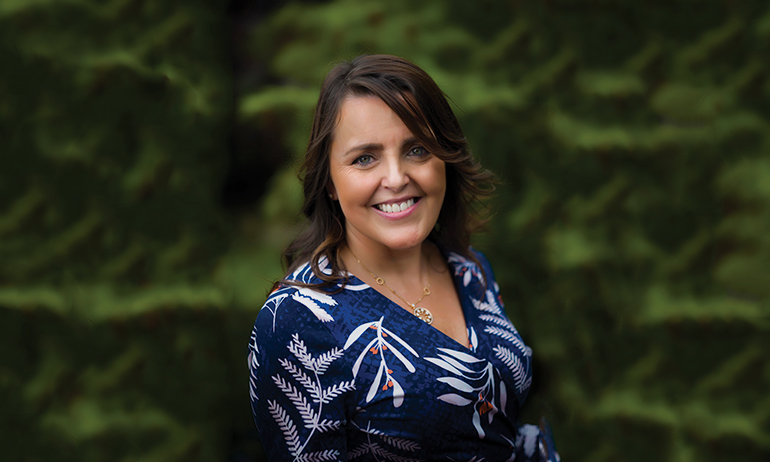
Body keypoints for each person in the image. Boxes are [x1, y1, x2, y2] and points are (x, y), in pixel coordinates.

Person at [248, 54, 560, 461]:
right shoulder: (296, 321)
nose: (396, 179)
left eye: (416, 149)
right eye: (365, 158)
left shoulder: (470, 269)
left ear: (443, 158)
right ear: (329, 182)